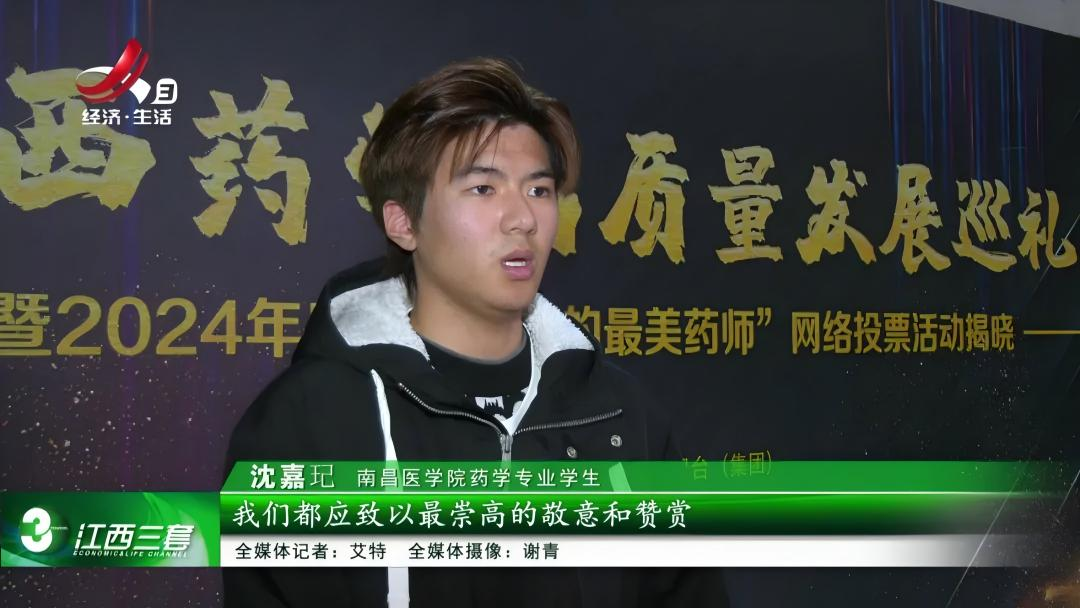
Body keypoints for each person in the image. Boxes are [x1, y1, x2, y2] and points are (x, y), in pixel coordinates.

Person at [223, 57, 728, 608]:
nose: (523, 219)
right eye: (484, 189)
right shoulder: (308, 422)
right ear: (403, 222)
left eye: (539, 190)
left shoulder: (620, 414)